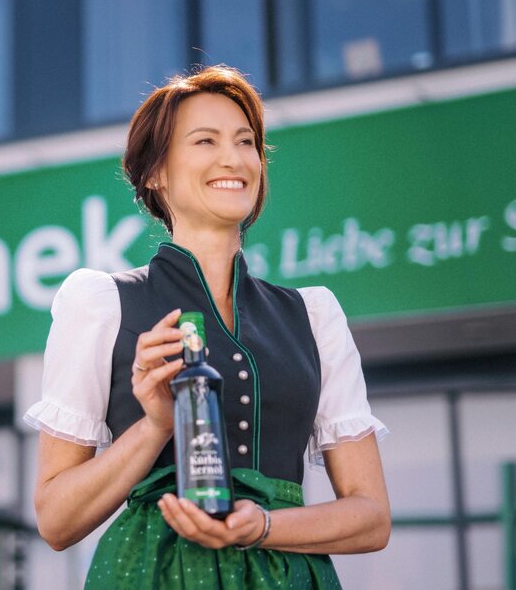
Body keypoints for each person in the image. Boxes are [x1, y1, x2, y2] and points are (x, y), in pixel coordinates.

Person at [23, 65, 391, 588]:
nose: (233, 159)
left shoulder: (313, 315)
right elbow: (56, 521)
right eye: (205, 141)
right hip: (152, 575)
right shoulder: (101, 304)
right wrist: (154, 425)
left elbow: (372, 517)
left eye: (246, 142)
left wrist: (263, 526)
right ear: (156, 172)